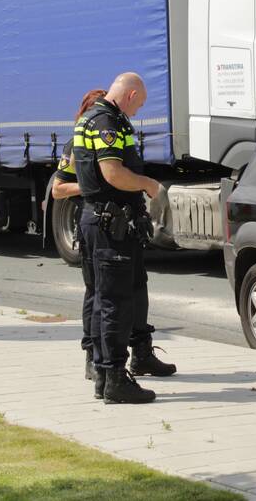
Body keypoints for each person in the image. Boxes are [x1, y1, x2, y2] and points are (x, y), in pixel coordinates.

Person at [72, 72, 175, 404]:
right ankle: (115, 378)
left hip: (100, 220)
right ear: (130, 94)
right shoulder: (106, 122)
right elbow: (112, 173)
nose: (136, 112)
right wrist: (148, 185)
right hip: (109, 222)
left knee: (108, 299)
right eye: (139, 105)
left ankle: (105, 375)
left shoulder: (91, 118)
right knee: (115, 302)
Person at [51, 88, 106, 382]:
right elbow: (58, 189)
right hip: (90, 222)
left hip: (114, 225)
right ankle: (91, 357)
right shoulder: (76, 144)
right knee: (95, 291)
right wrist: (91, 188)